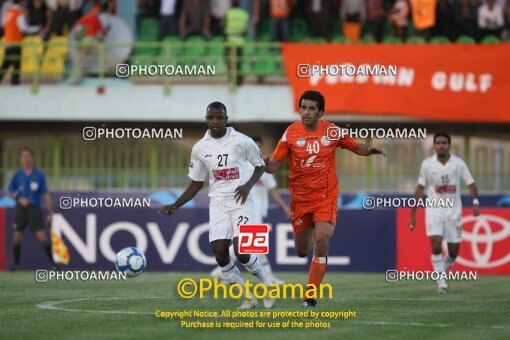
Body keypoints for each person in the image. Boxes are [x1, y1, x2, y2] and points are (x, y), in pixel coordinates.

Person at [264, 90, 385, 307]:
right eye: (303, 108)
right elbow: (273, 166)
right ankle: (310, 241)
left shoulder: (332, 132)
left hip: (325, 197)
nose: (306, 112)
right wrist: (261, 162)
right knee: (302, 251)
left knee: (322, 239)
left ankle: (309, 295)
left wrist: (369, 151)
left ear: (320, 112)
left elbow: (356, 146)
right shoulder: (290, 134)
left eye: (311, 108)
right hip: (300, 200)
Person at [160, 102, 276, 310]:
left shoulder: (242, 141)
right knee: (220, 253)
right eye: (211, 117)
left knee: (242, 250)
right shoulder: (199, 148)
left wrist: (248, 186)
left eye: (219, 117)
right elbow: (197, 182)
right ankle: (248, 298)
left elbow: (261, 166)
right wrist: (176, 204)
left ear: (226, 119)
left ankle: (268, 286)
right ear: (206, 119)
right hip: (218, 203)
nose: (215, 121)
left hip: (241, 200)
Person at [211, 136, 291, 285]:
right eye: (255, 146)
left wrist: (285, 206)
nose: (257, 149)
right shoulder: (241, 165)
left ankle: (222, 272)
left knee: (250, 246)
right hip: (244, 209)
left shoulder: (263, 166)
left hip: (258, 211)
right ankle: (267, 278)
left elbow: (273, 191)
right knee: (251, 246)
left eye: (259, 146)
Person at [409, 132, 480, 294]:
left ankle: (443, 272)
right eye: (438, 143)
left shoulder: (458, 163)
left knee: (454, 251)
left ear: (449, 145)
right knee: (435, 243)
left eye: (444, 143)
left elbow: (471, 184)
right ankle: (441, 282)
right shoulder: (427, 164)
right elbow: (420, 187)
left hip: (454, 212)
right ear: (434, 146)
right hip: (434, 210)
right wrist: (413, 213)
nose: (441, 145)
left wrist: (475, 202)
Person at [7, 148, 57, 271]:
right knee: (17, 237)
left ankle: (54, 265)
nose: (26, 159)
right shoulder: (17, 175)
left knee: (42, 237)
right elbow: (9, 192)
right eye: (23, 156)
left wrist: (50, 212)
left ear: (32, 158)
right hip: (21, 209)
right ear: (21, 159)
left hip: (34, 209)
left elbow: (46, 194)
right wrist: (19, 198)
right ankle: (16, 266)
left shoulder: (39, 175)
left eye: (28, 156)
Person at [0, 0, 39, 85]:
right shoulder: (19, 13)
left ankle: (13, 82)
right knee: (16, 65)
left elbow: (3, 24)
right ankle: (15, 83)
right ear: (20, 3)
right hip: (16, 42)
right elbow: (23, 28)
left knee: (6, 63)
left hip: (8, 41)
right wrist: (36, 29)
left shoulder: (8, 12)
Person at [69, 4, 109, 85]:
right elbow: (103, 33)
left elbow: (78, 33)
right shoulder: (95, 18)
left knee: (78, 62)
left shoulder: (83, 19)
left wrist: (78, 44)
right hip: (91, 40)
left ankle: (73, 81)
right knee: (106, 55)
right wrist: (107, 29)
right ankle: (122, 70)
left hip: (83, 41)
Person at [224, 0, 249, 86]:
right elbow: (246, 29)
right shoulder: (244, 14)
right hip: (240, 41)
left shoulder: (229, 13)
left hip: (230, 41)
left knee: (230, 62)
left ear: (231, 4)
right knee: (238, 63)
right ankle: (239, 81)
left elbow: (223, 25)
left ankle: (232, 81)